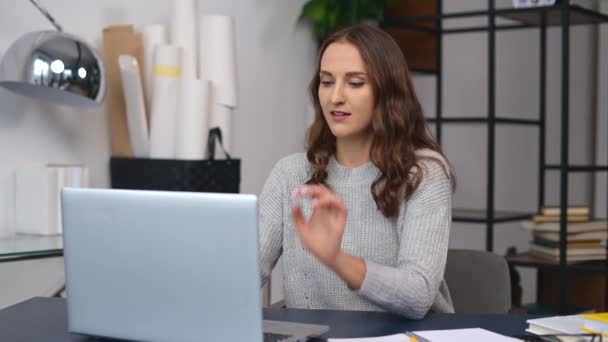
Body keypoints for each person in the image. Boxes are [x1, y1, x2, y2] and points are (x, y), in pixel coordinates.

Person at [258, 24, 455, 319]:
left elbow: (418, 294)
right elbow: (245, 273)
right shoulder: (290, 173)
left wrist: (337, 259)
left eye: (355, 83)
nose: (335, 97)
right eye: (326, 82)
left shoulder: (423, 173)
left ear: (388, 92)